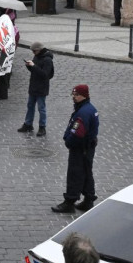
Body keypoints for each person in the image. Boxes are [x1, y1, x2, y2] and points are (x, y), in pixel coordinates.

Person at [52, 85, 99, 214]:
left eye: (76, 95)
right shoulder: (89, 108)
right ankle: (89, 199)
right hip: (87, 147)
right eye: (73, 94)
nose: (74, 97)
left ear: (84, 95)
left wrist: (68, 142)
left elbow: (77, 133)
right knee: (86, 172)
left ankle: (70, 202)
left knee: (75, 174)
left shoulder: (83, 112)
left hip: (80, 148)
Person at [18, 41, 55, 136]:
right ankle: (28, 124)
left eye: (34, 51)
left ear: (39, 50)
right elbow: (34, 71)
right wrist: (29, 66)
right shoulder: (37, 56)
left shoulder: (47, 60)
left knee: (41, 108)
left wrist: (33, 66)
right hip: (33, 86)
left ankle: (42, 127)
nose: (33, 53)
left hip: (42, 88)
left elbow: (45, 75)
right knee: (30, 106)